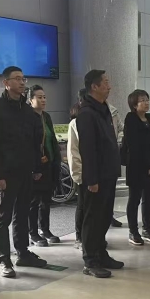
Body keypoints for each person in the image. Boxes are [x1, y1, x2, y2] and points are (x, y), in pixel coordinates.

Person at [0, 66, 48, 278]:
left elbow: (35, 142)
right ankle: (3, 258)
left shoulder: (27, 110)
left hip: (26, 171)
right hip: (7, 173)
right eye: (17, 79)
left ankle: (23, 253)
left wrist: (37, 167)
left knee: (22, 213)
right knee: (4, 217)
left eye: (23, 79)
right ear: (6, 83)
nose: (22, 82)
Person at [77, 70, 124, 278]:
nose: (109, 86)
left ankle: (101, 253)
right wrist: (92, 179)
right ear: (94, 87)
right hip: (96, 177)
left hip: (108, 173)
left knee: (104, 217)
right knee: (93, 218)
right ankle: (90, 261)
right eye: (105, 82)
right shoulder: (87, 113)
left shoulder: (103, 109)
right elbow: (87, 149)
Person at [122, 89, 150, 246]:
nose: (146, 103)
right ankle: (133, 231)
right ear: (134, 104)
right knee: (134, 199)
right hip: (137, 167)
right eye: (142, 100)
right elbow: (134, 146)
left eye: (147, 99)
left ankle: (147, 229)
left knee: (149, 200)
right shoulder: (131, 119)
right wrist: (148, 166)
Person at [28, 85, 62, 247]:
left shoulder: (46, 116)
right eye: (39, 97)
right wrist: (34, 166)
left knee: (46, 200)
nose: (43, 100)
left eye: (44, 97)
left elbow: (52, 139)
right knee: (34, 201)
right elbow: (29, 143)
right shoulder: (28, 117)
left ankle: (45, 229)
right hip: (36, 165)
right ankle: (33, 232)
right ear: (30, 100)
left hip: (49, 163)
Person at [68, 90, 85, 250]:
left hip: (99, 172)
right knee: (83, 205)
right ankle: (79, 237)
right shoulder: (75, 123)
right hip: (83, 173)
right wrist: (77, 174)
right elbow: (73, 152)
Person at [108, 103, 125, 229]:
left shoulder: (113, 111)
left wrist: (118, 141)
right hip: (99, 156)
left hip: (113, 154)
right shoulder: (90, 111)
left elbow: (121, 129)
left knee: (110, 189)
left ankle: (109, 216)